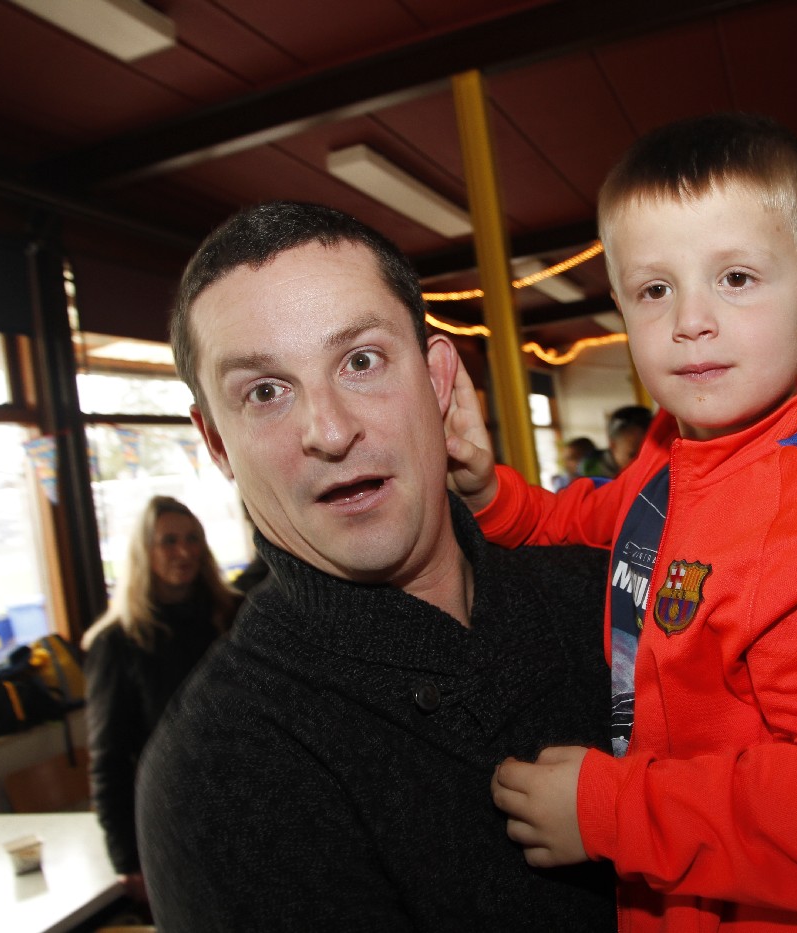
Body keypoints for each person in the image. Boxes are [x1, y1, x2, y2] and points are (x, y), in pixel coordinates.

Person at [445, 112, 797, 930]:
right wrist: (489, 496)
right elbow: (594, 520)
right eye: (655, 289)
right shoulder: (669, 458)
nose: (690, 320)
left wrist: (614, 810)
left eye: (736, 277)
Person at [135, 201, 615, 931]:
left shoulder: (608, 598)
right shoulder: (218, 769)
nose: (329, 431)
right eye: (265, 392)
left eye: (360, 361)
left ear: (439, 380)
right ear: (217, 443)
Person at [82, 494, 239, 909]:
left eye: (192, 539)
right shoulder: (117, 643)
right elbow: (109, 760)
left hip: (249, 806)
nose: (184, 552)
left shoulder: (234, 616)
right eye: (169, 541)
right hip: (174, 822)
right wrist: (126, 858)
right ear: (143, 552)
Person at [603, 404, 653, 475]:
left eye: (650, 455)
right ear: (613, 447)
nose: (644, 463)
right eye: (633, 456)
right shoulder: (597, 478)